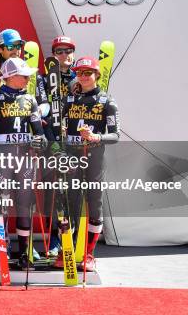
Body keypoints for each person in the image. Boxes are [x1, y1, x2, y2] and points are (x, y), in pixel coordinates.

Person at [0, 57, 47, 270]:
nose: (28, 79)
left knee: (24, 204)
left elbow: (40, 133)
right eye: (24, 75)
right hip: (3, 157)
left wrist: (40, 141)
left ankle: (25, 254)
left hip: (25, 157)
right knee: (0, 204)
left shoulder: (30, 99)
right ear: (10, 77)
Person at [56, 56, 120, 271]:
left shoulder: (107, 102)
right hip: (72, 157)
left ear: (97, 75)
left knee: (94, 204)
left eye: (88, 73)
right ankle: (68, 249)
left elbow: (115, 136)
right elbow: (55, 127)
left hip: (94, 157)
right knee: (71, 204)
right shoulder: (69, 100)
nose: (83, 77)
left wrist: (96, 137)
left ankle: (89, 254)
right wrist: (59, 135)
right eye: (80, 73)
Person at [42, 35, 78, 257]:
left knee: (74, 192)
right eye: (59, 52)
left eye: (68, 51)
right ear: (53, 56)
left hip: (75, 142)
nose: (64, 55)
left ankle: (73, 240)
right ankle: (54, 240)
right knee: (53, 193)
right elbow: (38, 115)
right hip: (52, 142)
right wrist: (51, 142)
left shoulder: (81, 78)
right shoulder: (44, 80)